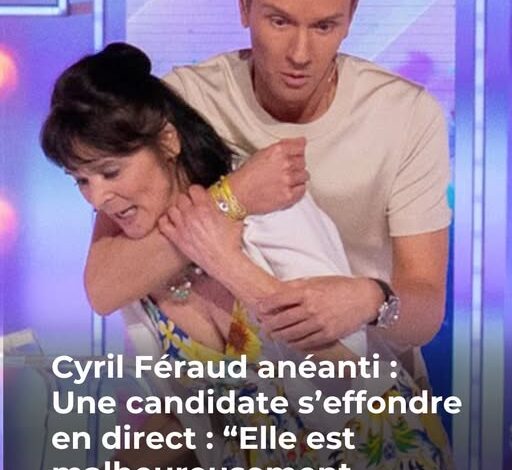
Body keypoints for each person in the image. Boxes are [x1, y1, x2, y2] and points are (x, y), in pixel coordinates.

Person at [41, 43, 453, 469]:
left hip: (377, 448)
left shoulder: (270, 208)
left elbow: (345, 377)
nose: (98, 198)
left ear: (167, 141)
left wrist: (227, 264)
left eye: (110, 172)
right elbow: (192, 416)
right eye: (81, 181)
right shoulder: (136, 269)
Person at [83, 0, 451, 388]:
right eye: (279, 22)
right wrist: (236, 194)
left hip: (371, 392)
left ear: (351, 18)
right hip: (229, 393)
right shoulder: (185, 102)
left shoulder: (405, 114)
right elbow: (104, 287)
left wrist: (369, 300)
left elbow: (425, 312)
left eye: (324, 27)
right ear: (244, 9)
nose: (300, 54)